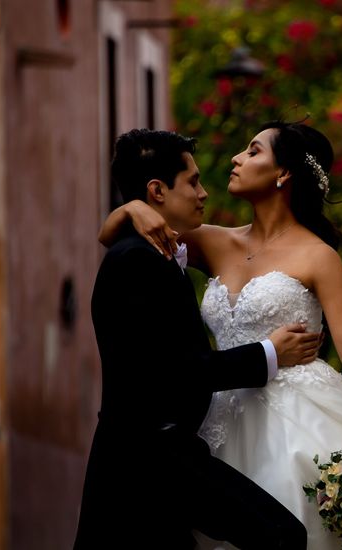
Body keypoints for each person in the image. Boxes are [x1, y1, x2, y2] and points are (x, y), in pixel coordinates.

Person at [100, 122, 342, 549]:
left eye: (252, 151)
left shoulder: (318, 255)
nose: (236, 159)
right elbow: (117, 242)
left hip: (297, 412)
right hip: (219, 416)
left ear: (283, 173)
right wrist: (131, 210)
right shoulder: (209, 241)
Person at [74, 129, 320, 550]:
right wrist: (269, 353)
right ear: (157, 191)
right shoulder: (136, 262)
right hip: (149, 459)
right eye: (192, 182)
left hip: (161, 457)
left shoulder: (153, 254)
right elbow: (178, 371)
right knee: (283, 535)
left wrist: (129, 210)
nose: (203, 193)